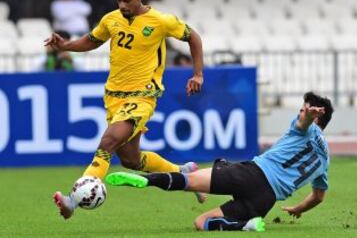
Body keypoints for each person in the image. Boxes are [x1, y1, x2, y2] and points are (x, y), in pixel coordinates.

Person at [45, 0, 204, 220]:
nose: (122, 5)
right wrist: (65, 45)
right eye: (118, 0)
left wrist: (197, 74)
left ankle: (72, 201)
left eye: (127, 1)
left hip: (142, 96)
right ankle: (185, 173)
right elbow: (91, 40)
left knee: (108, 141)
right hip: (114, 97)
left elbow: (193, 37)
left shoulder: (161, 21)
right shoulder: (112, 19)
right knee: (131, 160)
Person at [105, 91, 334, 232]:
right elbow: (318, 196)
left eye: (304, 109)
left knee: (188, 180)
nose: (301, 112)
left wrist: (307, 117)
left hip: (252, 175)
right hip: (265, 201)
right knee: (201, 222)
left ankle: (146, 180)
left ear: (316, 117)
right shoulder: (325, 160)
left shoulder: (306, 129)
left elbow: (303, 124)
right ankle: (247, 226)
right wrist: (297, 209)